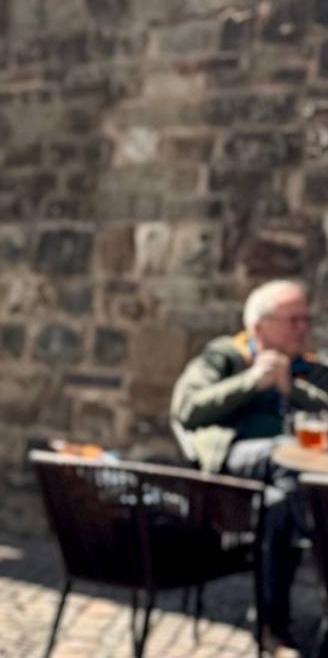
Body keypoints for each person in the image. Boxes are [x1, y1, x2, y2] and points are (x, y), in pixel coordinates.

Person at [172, 279, 326, 656]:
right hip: (232, 469)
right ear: (260, 326)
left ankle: (272, 627)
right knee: (285, 457)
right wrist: (250, 382)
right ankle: (319, 547)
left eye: (305, 319)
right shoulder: (224, 357)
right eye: (293, 320)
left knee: (278, 504)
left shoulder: (308, 367)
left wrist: (292, 389)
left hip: (291, 480)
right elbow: (187, 409)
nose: (302, 328)